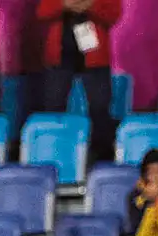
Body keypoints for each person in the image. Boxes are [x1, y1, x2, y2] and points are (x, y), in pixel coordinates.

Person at [36, 0, 120, 161]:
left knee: (100, 108)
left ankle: (102, 157)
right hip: (60, 57)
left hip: (95, 56)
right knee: (53, 107)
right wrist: (64, 4)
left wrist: (91, 5)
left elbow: (114, 14)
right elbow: (42, 12)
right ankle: (54, 153)